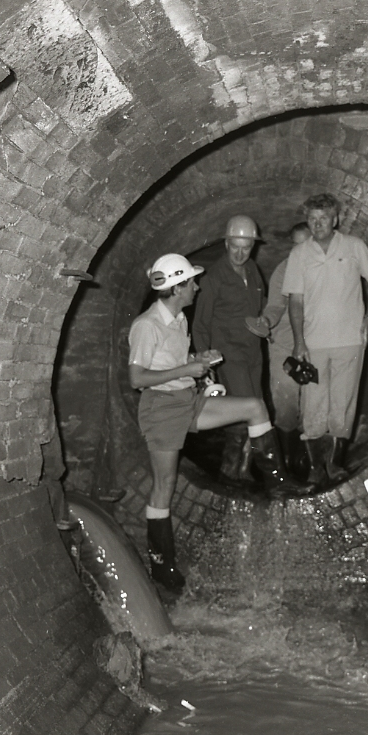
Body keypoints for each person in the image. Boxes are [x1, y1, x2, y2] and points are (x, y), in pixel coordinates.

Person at [129, 254, 308, 593]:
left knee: (255, 407)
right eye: (192, 282)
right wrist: (185, 370)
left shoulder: (179, 318)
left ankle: (277, 481)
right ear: (178, 286)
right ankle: (162, 565)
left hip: (188, 400)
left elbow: (172, 362)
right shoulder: (146, 325)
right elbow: (137, 377)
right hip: (162, 409)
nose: (197, 286)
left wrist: (197, 360)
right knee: (164, 485)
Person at [283, 194, 368, 484]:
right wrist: (299, 340)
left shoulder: (354, 246)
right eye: (312, 219)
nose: (317, 224)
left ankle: (335, 463)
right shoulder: (299, 254)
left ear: (335, 219)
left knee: (343, 402)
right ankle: (316, 466)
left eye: (323, 218)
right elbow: (296, 302)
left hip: (350, 341)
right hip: (314, 344)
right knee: (314, 403)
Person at [192, 214, 267, 482]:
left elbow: (259, 307)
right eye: (235, 246)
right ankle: (232, 471)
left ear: (253, 246)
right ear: (226, 243)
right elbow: (200, 324)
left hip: (254, 354)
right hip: (228, 356)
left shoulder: (254, 271)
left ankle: (245, 469)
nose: (239, 253)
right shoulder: (214, 277)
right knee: (247, 411)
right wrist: (206, 364)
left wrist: (264, 322)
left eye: (245, 247)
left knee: (259, 411)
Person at [247, 222, 311, 471]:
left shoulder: (325, 269)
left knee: (312, 405)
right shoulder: (284, 271)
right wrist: (267, 320)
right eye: (295, 245)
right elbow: (275, 305)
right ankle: (283, 462)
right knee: (286, 404)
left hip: (314, 345)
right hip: (284, 345)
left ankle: (304, 460)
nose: (300, 250)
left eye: (305, 244)